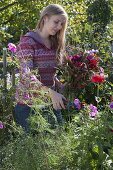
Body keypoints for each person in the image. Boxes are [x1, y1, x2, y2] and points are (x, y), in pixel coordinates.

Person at [14, 4, 68, 132]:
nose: (59, 27)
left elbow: (49, 74)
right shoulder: (28, 42)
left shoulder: (54, 43)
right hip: (28, 106)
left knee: (58, 143)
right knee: (34, 149)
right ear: (45, 18)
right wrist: (51, 93)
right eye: (56, 22)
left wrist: (63, 86)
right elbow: (27, 77)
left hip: (50, 104)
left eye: (62, 24)